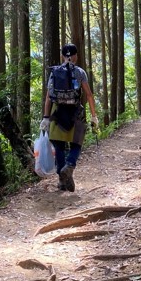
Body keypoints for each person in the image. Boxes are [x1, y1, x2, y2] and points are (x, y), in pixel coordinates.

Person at [41, 43, 98, 192]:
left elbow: (48, 97)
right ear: (76, 56)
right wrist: (94, 116)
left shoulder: (54, 72)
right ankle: (70, 165)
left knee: (58, 144)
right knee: (77, 142)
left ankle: (62, 178)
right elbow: (89, 95)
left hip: (57, 111)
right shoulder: (80, 72)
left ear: (62, 56)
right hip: (75, 111)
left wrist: (46, 117)